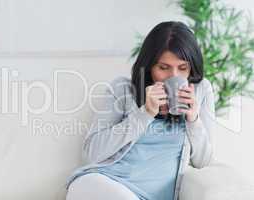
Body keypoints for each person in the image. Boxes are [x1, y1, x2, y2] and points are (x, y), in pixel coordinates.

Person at [65, 21, 216, 200]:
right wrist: (144, 114)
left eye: (183, 68)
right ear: (149, 66)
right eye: (163, 68)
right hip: (103, 184)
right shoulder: (123, 89)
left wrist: (193, 119)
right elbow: (91, 155)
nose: (174, 77)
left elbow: (204, 162)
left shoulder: (201, 90)